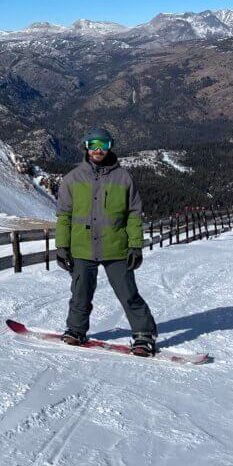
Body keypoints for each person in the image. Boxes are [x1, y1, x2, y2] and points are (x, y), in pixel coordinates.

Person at [55, 127, 158, 356]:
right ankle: (76, 330)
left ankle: (144, 335)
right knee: (80, 293)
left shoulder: (123, 178)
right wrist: (62, 246)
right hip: (82, 247)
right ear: (86, 147)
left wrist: (135, 245)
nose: (98, 150)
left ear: (111, 146)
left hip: (116, 248)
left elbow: (133, 213)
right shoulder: (72, 179)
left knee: (128, 293)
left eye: (103, 145)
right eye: (93, 145)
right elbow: (64, 216)